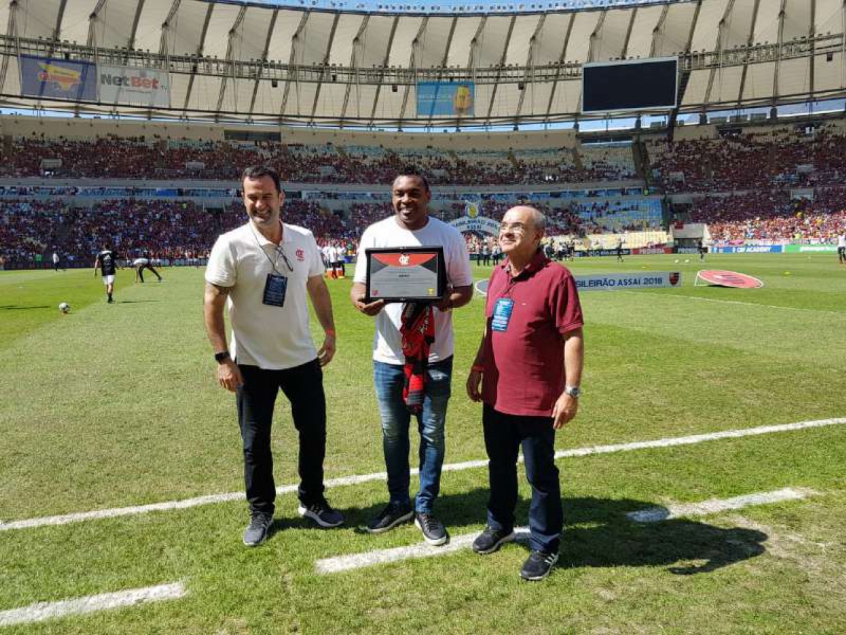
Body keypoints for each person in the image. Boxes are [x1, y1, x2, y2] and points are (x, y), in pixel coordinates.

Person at [204, 165, 344, 547]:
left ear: (281, 197)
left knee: (314, 433)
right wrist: (223, 358)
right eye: (252, 196)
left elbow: (317, 287)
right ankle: (261, 511)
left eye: (266, 195)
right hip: (251, 364)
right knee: (255, 442)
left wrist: (330, 332)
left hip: (302, 359)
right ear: (243, 198)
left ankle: (312, 500)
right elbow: (212, 301)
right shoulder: (230, 244)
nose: (259, 203)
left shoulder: (304, 238)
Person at [350, 168, 473, 545]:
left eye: (414, 193)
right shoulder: (375, 233)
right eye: (399, 193)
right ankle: (398, 502)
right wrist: (361, 302)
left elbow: (465, 291)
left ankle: (425, 505)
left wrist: (444, 300)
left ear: (427, 195)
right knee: (393, 432)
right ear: (392, 197)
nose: (406, 200)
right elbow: (359, 286)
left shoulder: (449, 236)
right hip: (389, 356)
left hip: (435, 355)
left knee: (432, 433)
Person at [467, 205, 584, 582]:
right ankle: (499, 525)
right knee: (499, 466)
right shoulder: (497, 273)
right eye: (504, 225)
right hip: (496, 395)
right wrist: (478, 366)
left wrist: (570, 391)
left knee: (540, 475)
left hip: (537, 400)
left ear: (538, 236)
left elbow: (572, 336)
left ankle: (545, 544)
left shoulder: (556, 276)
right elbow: (490, 329)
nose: (506, 231)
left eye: (517, 226)